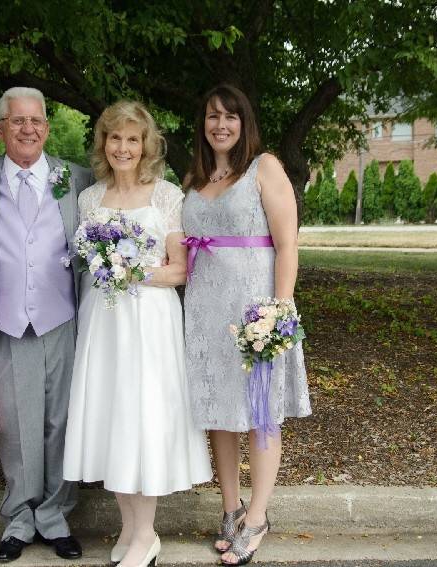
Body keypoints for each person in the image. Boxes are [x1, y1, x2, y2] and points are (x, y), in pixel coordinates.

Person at [62, 100, 212, 567]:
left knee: (142, 418)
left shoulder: (166, 194)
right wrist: (105, 267)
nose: (123, 148)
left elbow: (179, 272)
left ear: (145, 145)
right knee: (113, 419)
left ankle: (146, 535)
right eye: (115, 138)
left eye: (132, 139)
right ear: (103, 143)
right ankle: (130, 528)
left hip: (148, 322)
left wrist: (127, 270)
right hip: (103, 323)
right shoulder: (90, 199)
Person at [0, 87, 94, 563]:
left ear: (47, 128)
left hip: (62, 318)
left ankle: (56, 515)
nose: (28, 129)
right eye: (17, 121)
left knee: (60, 420)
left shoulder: (76, 178)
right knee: (15, 425)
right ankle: (19, 517)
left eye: (36, 121)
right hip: (7, 321)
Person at [181, 84, 312, 566]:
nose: (221, 125)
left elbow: (288, 245)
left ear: (244, 123)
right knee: (219, 412)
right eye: (213, 116)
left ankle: (257, 517)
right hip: (205, 312)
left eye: (230, 117)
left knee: (259, 412)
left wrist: (278, 310)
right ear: (203, 125)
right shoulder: (194, 177)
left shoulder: (265, 168)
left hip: (254, 312)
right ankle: (230, 506)